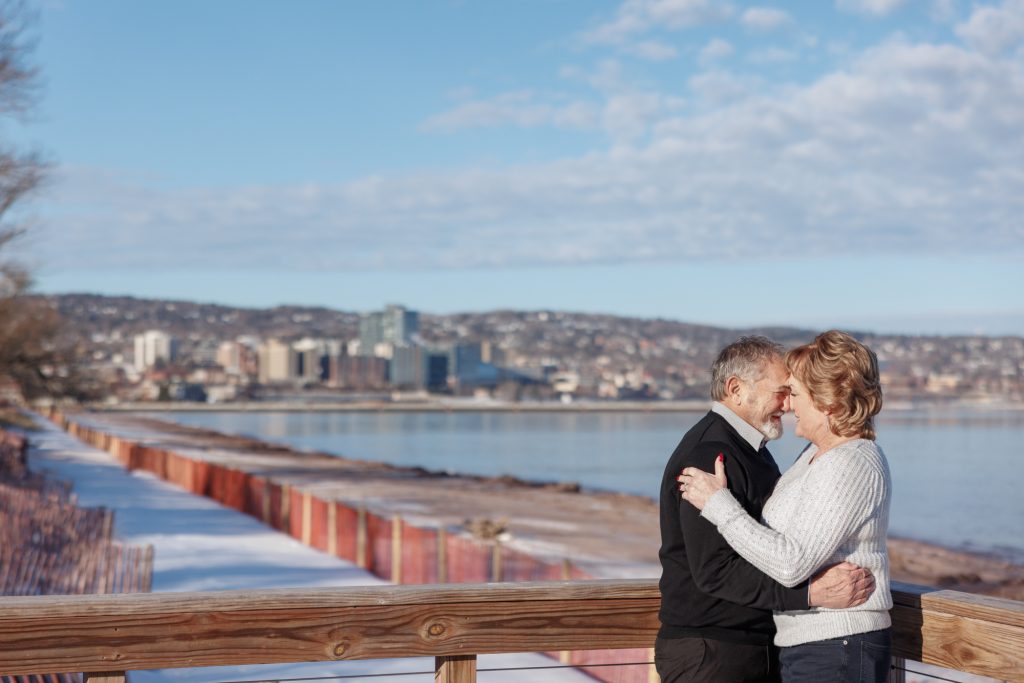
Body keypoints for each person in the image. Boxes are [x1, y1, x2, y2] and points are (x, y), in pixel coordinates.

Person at [657, 335, 875, 683]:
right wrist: (808, 594)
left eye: (792, 393)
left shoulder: (751, 450)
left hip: (748, 646)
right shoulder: (709, 453)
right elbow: (715, 570)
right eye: (781, 391)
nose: (787, 404)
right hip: (713, 651)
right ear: (736, 389)